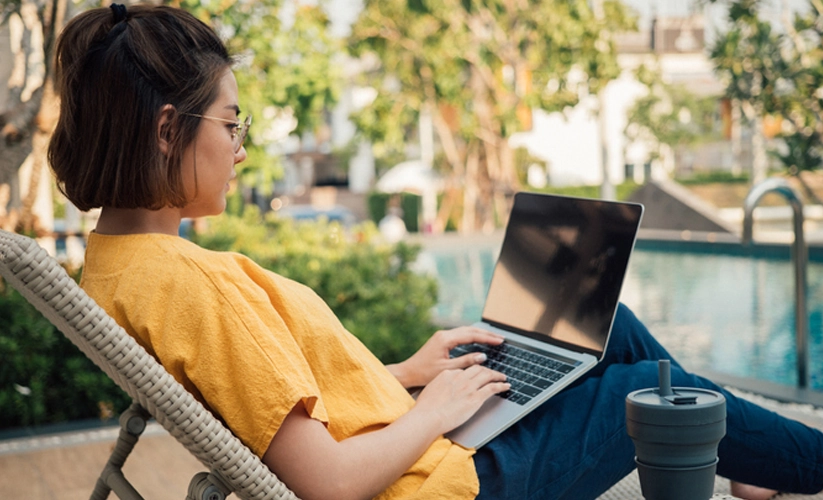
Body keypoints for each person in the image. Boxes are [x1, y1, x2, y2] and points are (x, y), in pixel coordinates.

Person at [48, 5, 822, 500]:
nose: (241, 148)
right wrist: (438, 411)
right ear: (165, 131)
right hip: (448, 482)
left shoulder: (119, 264)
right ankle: (788, 462)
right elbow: (327, 485)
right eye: (231, 124)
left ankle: (750, 460)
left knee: (600, 327)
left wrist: (410, 374)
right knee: (654, 387)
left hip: (413, 440)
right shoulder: (190, 285)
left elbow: (267, 397)